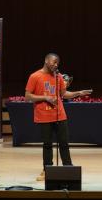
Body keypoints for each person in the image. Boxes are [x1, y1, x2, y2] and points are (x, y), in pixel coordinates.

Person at [25, 53, 93, 181]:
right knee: (47, 144)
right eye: (53, 62)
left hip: (60, 115)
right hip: (44, 115)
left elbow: (63, 94)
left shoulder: (58, 77)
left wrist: (78, 93)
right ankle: (47, 169)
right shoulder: (35, 76)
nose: (55, 65)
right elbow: (27, 96)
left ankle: (68, 168)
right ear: (46, 60)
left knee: (64, 143)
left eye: (57, 63)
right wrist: (45, 97)